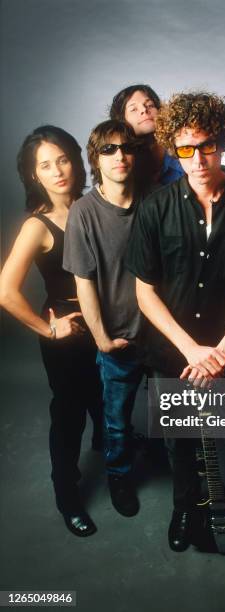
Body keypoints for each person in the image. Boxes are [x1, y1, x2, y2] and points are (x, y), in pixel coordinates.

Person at [126, 91, 225, 552]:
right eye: (184, 148)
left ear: (222, 143)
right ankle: (185, 512)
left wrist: (221, 352)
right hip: (173, 354)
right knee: (179, 441)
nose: (196, 160)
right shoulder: (155, 208)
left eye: (206, 147)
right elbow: (144, 289)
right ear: (173, 147)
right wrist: (192, 350)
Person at [0, 126, 103, 537]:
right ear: (34, 176)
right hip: (69, 334)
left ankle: (112, 454)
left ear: (75, 162)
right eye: (45, 165)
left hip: (106, 327)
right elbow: (6, 292)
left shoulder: (94, 205)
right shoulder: (37, 226)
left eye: (62, 159)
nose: (57, 170)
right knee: (68, 416)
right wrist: (48, 329)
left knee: (104, 401)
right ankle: (67, 493)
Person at [63, 119, 151, 519]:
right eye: (109, 149)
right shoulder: (83, 212)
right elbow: (85, 283)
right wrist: (101, 339)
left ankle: (189, 481)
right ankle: (119, 475)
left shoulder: (158, 198)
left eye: (127, 148)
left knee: (182, 411)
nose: (120, 156)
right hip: (118, 339)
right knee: (116, 422)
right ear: (95, 158)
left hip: (162, 336)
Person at [110, 83, 184, 185]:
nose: (144, 110)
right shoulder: (118, 162)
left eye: (150, 105)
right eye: (134, 109)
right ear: (121, 120)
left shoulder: (184, 148)